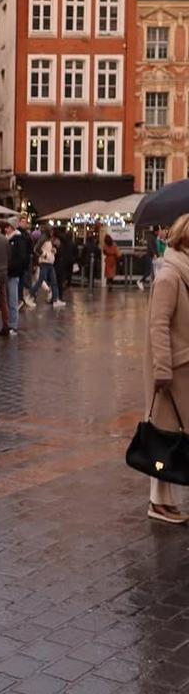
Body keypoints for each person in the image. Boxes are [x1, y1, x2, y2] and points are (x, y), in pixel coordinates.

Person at [143, 214, 189, 524]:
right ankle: (158, 503)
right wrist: (162, 370)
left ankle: (169, 500)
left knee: (177, 436)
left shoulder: (183, 273)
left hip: (184, 366)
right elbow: (157, 325)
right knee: (165, 437)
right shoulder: (170, 276)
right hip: (173, 369)